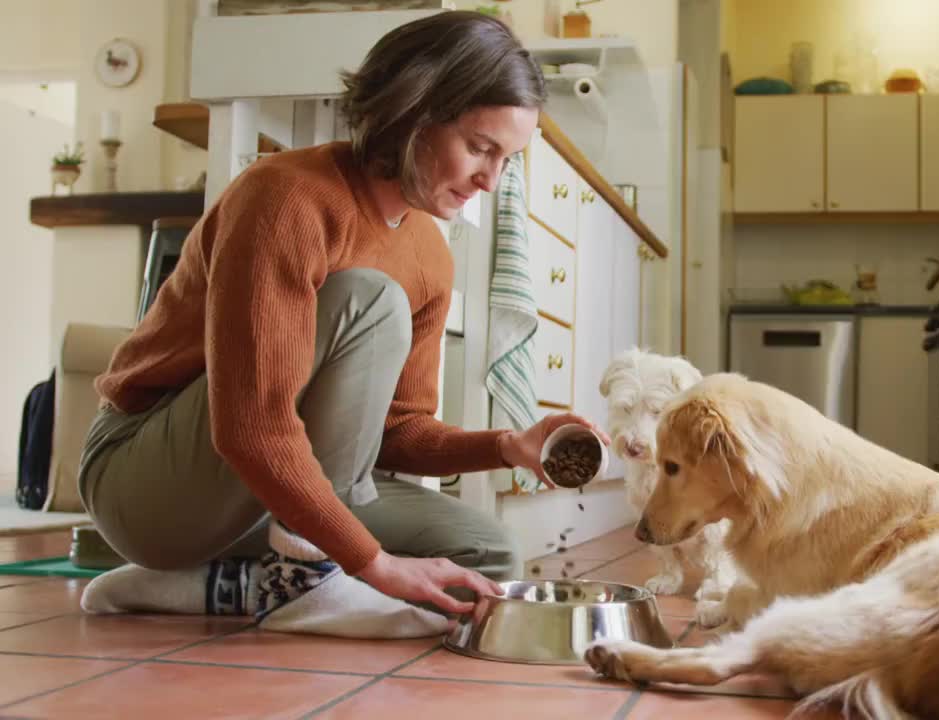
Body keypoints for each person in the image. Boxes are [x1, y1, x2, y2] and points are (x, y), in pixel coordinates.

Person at [77, 10, 607, 618]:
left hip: (262, 479)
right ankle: (305, 576)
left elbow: (398, 433)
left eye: (507, 159)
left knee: (485, 555)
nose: (490, 179)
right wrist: (376, 564)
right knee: (369, 297)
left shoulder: (430, 253)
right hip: (146, 477)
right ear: (414, 115)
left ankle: (222, 586)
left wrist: (509, 445)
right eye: (480, 148)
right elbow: (250, 427)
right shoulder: (285, 199)